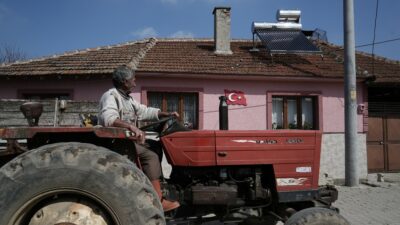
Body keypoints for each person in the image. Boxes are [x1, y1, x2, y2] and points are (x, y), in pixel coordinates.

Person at [98, 65, 180, 212]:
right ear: (124, 82)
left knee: (155, 145)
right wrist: (131, 127)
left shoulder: (128, 99)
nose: (135, 83)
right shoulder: (111, 96)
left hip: (127, 141)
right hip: (116, 143)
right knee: (151, 155)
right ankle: (157, 201)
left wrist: (166, 114)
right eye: (133, 80)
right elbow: (108, 119)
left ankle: (154, 186)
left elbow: (144, 111)